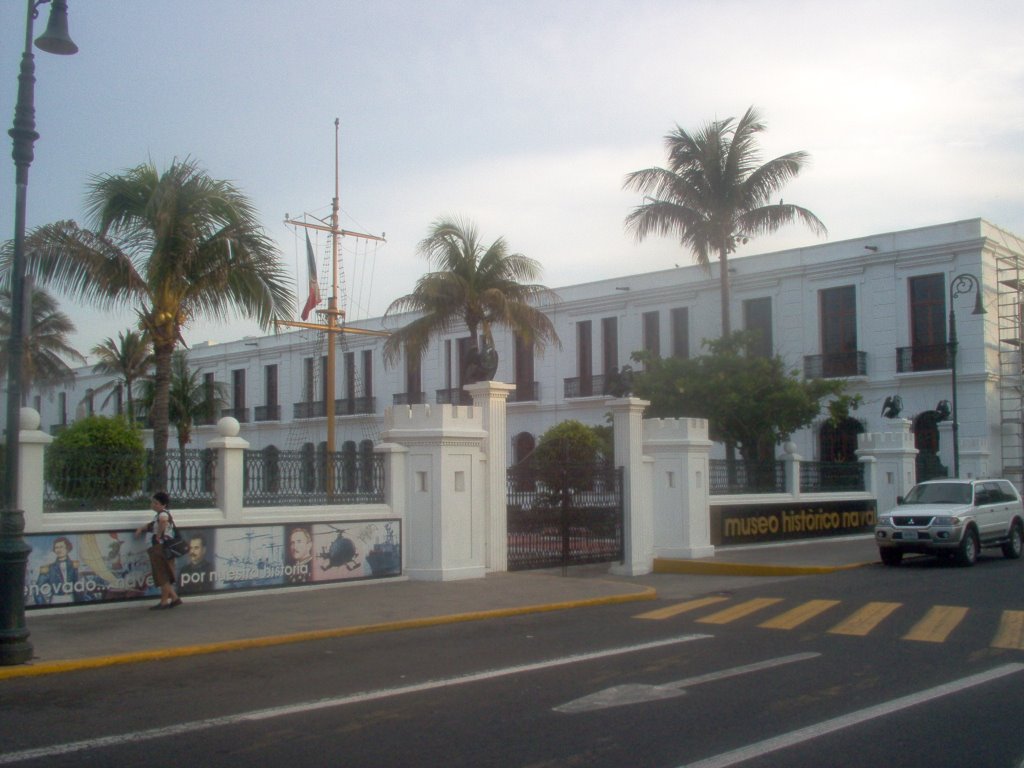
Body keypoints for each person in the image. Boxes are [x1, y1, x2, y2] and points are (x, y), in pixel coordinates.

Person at [134, 491, 182, 609]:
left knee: (161, 575)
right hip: (165, 548)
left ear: (163, 505)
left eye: (156, 503)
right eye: (153, 502)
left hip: (159, 548)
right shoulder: (159, 515)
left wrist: (158, 536)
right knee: (165, 574)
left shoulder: (162, 515)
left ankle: (173, 598)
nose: (153, 505)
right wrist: (141, 528)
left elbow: (163, 521)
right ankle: (166, 600)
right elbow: (153, 524)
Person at [34, 536, 83, 605]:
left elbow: (80, 586)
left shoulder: (74, 565)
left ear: (67, 548)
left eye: (61, 547)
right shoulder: (48, 568)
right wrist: (43, 605)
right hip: (56, 600)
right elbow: (37, 590)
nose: (59, 550)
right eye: (56, 547)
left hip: (73, 600)